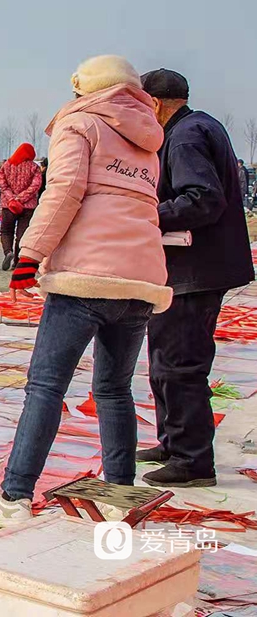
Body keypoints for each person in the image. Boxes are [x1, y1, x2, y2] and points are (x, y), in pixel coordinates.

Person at [0, 55, 172, 527]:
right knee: (114, 389)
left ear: (86, 89)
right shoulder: (147, 135)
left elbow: (64, 191)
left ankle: (14, 497)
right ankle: (119, 492)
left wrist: (29, 255)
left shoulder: (80, 123)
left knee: (44, 386)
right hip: (140, 281)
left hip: (85, 277)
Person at [137, 69, 255, 488]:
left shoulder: (186, 137)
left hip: (194, 270)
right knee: (163, 358)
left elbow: (202, 198)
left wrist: (145, 215)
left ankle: (192, 461)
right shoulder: (197, 125)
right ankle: (172, 441)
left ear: (154, 104)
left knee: (179, 363)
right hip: (188, 269)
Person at [0, 142, 42, 271]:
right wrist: (20, 199)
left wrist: (12, 199)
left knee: (6, 231)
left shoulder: (5, 166)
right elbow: (35, 186)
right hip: (27, 207)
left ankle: (7, 252)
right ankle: (16, 262)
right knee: (22, 234)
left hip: (8, 206)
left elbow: (2, 184)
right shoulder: (34, 167)